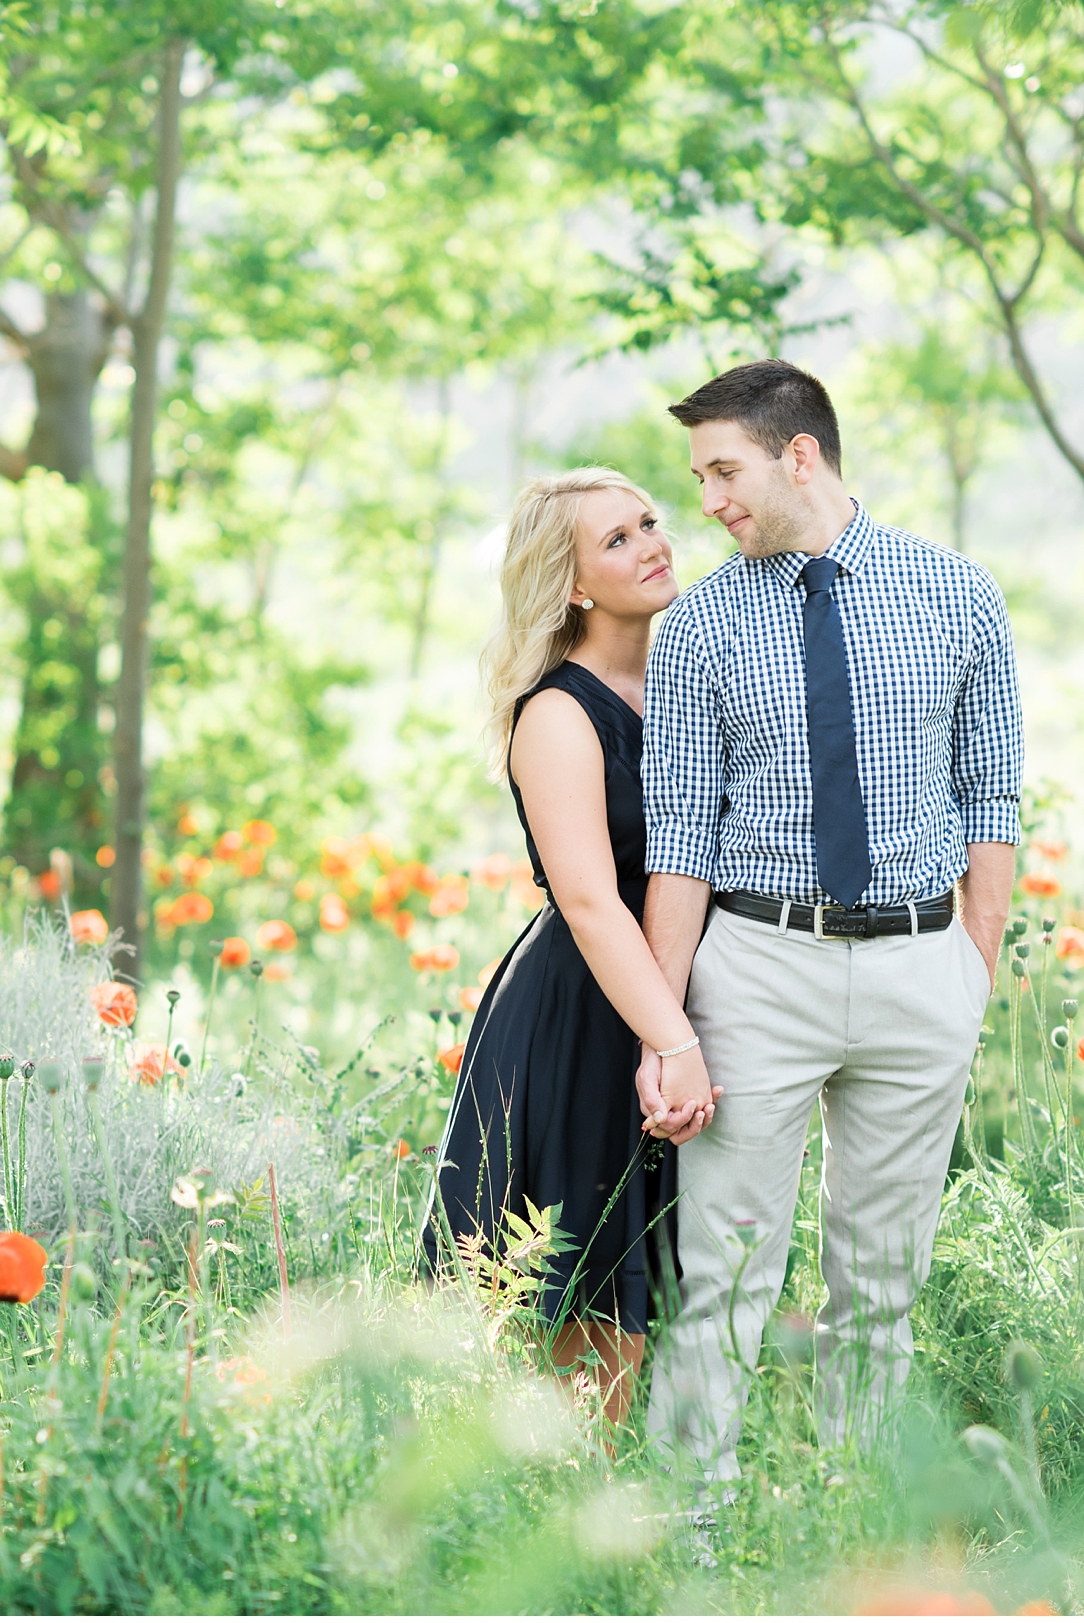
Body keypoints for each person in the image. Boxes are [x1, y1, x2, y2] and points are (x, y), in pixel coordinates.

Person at [635, 359, 1024, 1486]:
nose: (706, 501)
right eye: (699, 476)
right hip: (757, 968)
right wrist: (668, 1031)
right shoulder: (702, 621)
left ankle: (854, 1532)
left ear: (797, 454)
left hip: (920, 967)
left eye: (723, 470)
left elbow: (990, 796)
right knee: (724, 1273)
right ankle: (691, 1527)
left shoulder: (958, 593)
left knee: (881, 1281)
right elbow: (679, 841)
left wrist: (969, 975)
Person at [426, 465, 723, 1429]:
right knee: (593, 1296)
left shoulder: (684, 674)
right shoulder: (558, 712)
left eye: (649, 522)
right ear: (573, 586)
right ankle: (572, 1526)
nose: (653, 544)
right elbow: (593, 902)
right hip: (592, 1010)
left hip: (678, 994)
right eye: (618, 540)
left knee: (670, 1283)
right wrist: (670, 1041)